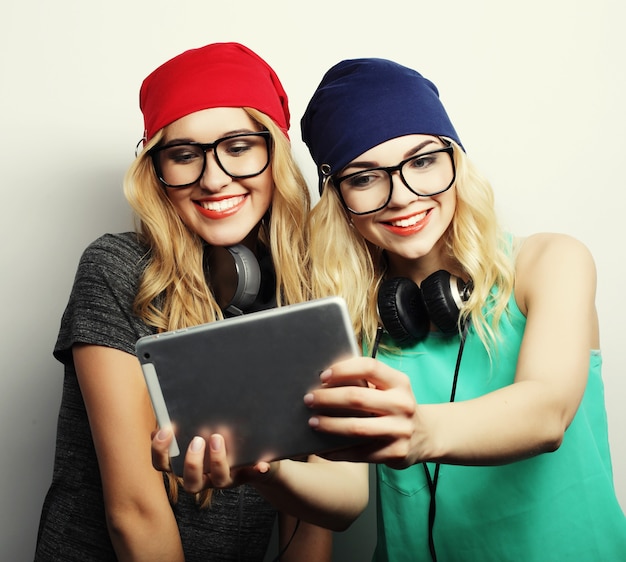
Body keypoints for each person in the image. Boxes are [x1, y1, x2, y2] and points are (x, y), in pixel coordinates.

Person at [34, 42, 367, 562]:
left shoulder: (312, 284)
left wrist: (271, 470)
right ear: (157, 171)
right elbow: (134, 514)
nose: (213, 178)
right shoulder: (115, 269)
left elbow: (321, 518)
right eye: (185, 154)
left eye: (238, 147)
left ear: (274, 153)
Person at [297, 57, 626, 561]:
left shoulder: (552, 261)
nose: (401, 197)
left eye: (423, 161)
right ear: (338, 198)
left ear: (456, 162)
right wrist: (263, 469)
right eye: (364, 178)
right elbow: (343, 500)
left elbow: (547, 411)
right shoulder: (348, 323)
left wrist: (418, 432)